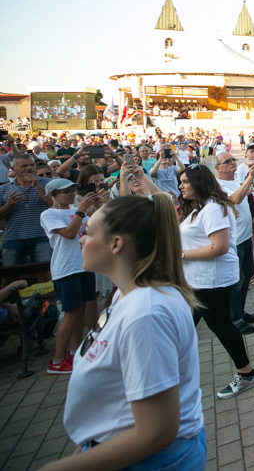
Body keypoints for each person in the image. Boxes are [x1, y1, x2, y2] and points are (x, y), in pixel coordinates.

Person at [42, 194, 206, 471]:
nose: (81, 240)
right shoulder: (127, 295)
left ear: (116, 244)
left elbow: (157, 431)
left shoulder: (146, 313)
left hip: (151, 461)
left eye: (88, 232)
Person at [176, 164, 254, 399]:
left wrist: (180, 255)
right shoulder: (197, 206)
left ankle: (246, 373)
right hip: (196, 279)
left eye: (185, 182)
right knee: (184, 325)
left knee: (220, 326)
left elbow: (219, 247)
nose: (181, 186)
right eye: (180, 182)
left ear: (199, 183)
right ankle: (170, 372)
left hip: (211, 280)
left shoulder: (212, 208)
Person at [40, 179, 100, 375]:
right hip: (66, 269)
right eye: (66, 191)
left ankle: (75, 353)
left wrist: (99, 205)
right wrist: (81, 210)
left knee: (80, 310)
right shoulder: (49, 214)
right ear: (52, 195)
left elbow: (93, 227)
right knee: (72, 312)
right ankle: (57, 360)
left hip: (83, 266)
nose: (72, 194)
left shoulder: (76, 211)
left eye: (73, 190)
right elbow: (69, 233)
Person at [216, 153, 254, 334]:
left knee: (247, 275)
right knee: (236, 281)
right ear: (217, 167)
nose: (232, 163)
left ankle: (240, 312)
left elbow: (247, 199)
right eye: (227, 161)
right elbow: (235, 200)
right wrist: (251, 177)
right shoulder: (217, 185)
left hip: (245, 237)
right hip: (234, 242)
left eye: (233, 160)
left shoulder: (235, 180)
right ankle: (234, 319)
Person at [0, 153, 53, 270]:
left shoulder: (48, 183)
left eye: (32, 165)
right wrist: (9, 205)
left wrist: (37, 186)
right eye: (24, 166)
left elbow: (54, 204)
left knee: (44, 271)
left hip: (42, 236)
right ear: (13, 168)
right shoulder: (4, 189)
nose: (29, 168)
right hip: (13, 237)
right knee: (10, 273)